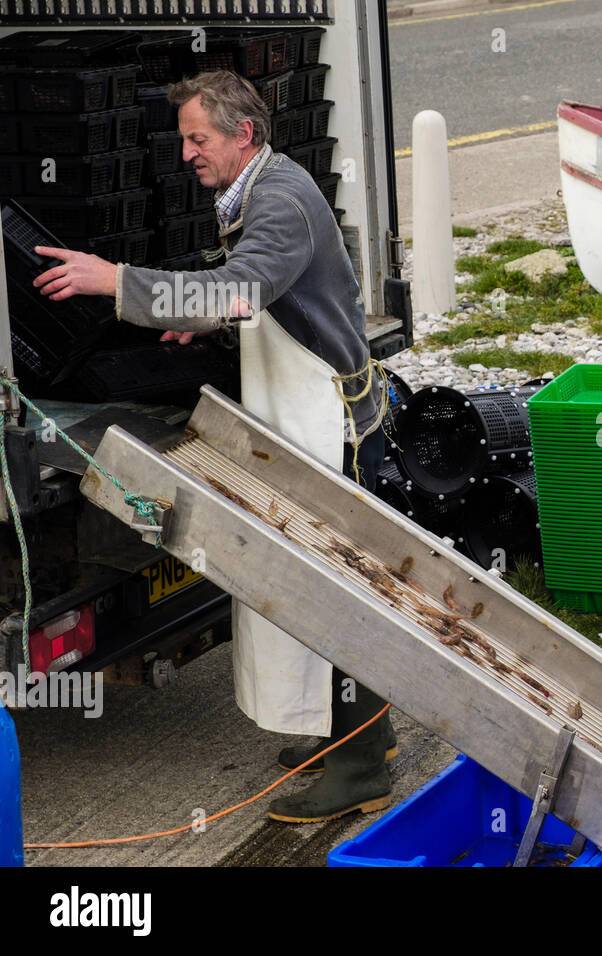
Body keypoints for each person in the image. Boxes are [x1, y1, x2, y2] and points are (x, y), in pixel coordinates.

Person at [32, 70, 395, 823]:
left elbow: (243, 290)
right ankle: (351, 732)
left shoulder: (281, 200)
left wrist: (115, 280)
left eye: (199, 138)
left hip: (328, 422)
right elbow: (244, 293)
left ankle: (361, 761)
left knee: (333, 595)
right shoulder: (261, 187)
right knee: (312, 584)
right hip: (301, 411)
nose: (188, 153)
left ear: (243, 135)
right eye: (186, 138)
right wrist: (208, 320)